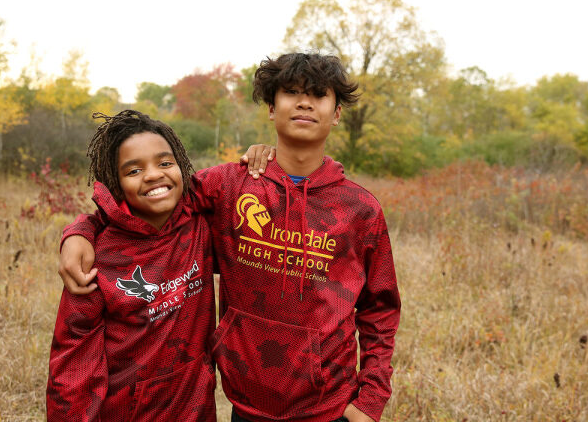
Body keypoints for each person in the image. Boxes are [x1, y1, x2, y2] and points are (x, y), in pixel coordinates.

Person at [60, 53, 401, 422]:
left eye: (319, 94)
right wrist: (82, 230)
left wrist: (371, 398)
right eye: (291, 92)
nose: (304, 102)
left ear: (336, 113)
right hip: (248, 405)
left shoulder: (360, 209)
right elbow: (150, 203)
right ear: (272, 107)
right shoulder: (228, 185)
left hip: (329, 406)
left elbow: (380, 309)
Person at [47, 110, 217, 421]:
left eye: (165, 163)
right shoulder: (97, 258)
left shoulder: (201, 226)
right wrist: (79, 231)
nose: (153, 175)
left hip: (197, 408)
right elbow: (73, 362)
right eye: (134, 170)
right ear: (116, 182)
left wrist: (263, 154)